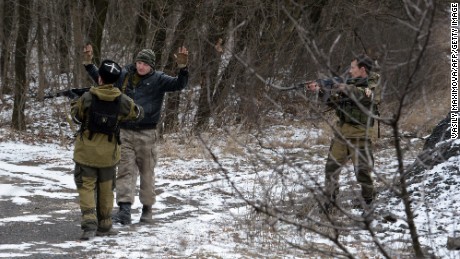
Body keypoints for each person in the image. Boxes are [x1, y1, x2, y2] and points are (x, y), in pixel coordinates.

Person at [82, 44, 189, 225]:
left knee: (147, 172)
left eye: (145, 64)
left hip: (147, 134)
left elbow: (179, 84)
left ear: (151, 66)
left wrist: (183, 68)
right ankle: (124, 211)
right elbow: (103, 79)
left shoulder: (159, 79)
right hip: (124, 132)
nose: (141, 66)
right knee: (125, 170)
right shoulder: (124, 75)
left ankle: (147, 209)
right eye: (139, 62)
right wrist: (88, 63)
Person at [71, 59, 144, 240]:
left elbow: (76, 116)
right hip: (109, 155)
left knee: (86, 187)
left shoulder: (87, 97)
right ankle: (105, 225)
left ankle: (89, 225)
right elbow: (138, 113)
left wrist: (74, 101)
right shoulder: (122, 101)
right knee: (106, 189)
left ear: (100, 79)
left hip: (86, 153)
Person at [307, 54, 380, 214]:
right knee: (331, 169)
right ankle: (330, 201)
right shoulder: (350, 83)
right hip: (342, 133)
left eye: (353, 67)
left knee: (362, 172)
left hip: (361, 134)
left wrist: (342, 86)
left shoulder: (372, 85)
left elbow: (363, 96)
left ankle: (368, 202)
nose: (350, 70)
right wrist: (321, 90)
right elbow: (333, 103)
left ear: (362, 69)